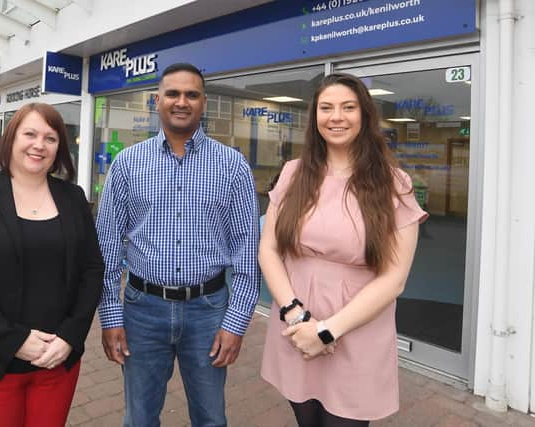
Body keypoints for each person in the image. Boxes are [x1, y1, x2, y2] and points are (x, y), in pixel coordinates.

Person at [96, 63, 260, 427]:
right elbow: (107, 249)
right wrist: (110, 316)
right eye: (172, 93)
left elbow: (248, 253)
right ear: (157, 101)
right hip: (142, 310)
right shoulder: (127, 165)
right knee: (139, 418)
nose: (181, 101)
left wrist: (236, 322)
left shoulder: (232, 166)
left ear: (204, 103)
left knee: (211, 419)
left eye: (191, 94)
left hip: (208, 310)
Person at [260, 73, 427, 427]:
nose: (336, 117)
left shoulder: (394, 184)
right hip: (295, 327)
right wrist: (297, 316)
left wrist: (325, 332)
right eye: (326, 108)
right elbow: (269, 250)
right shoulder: (293, 173)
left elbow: (394, 279)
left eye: (348, 107)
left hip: (356, 332)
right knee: (306, 419)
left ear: (364, 115)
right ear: (315, 117)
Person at [0, 103, 104, 427]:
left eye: (50, 138)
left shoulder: (73, 198)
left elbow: (91, 270)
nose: (39, 145)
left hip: (55, 365)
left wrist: (71, 336)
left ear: (59, 147)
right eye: (30, 134)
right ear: (11, 139)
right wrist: (13, 341)